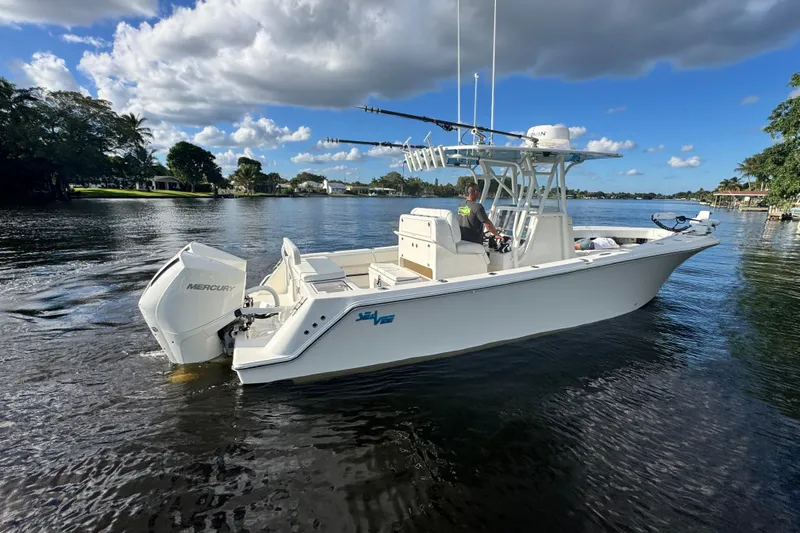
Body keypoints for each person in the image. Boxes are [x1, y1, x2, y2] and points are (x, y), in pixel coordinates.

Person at [457, 183, 506, 249]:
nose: (479, 193)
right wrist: (496, 234)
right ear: (475, 192)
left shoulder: (461, 205)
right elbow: (488, 225)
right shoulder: (477, 207)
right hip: (474, 245)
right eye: (479, 191)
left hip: (462, 242)